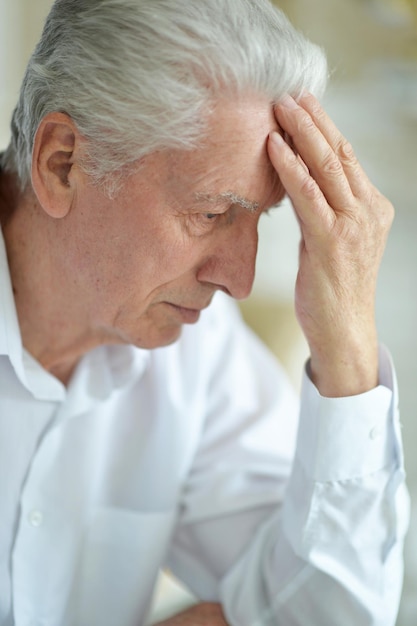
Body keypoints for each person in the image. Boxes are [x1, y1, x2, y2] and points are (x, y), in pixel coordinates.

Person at [0, 0, 409, 624]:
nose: (238, 281)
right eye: (211, 214)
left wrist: (347, 346)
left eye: (259, 218)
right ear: (63, 164)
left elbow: (332, 611)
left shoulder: (198, 345)